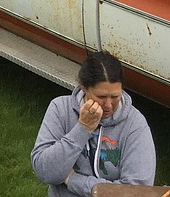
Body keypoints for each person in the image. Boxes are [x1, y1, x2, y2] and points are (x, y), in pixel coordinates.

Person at [30, 50, 156, 197]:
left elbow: (137, 192)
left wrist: (73, 180)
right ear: (84, 88)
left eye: (115, 96)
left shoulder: (135, 124)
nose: (108, 105)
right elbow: (45, 172)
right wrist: (83, 129)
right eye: (101, 96)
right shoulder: (60, 109)